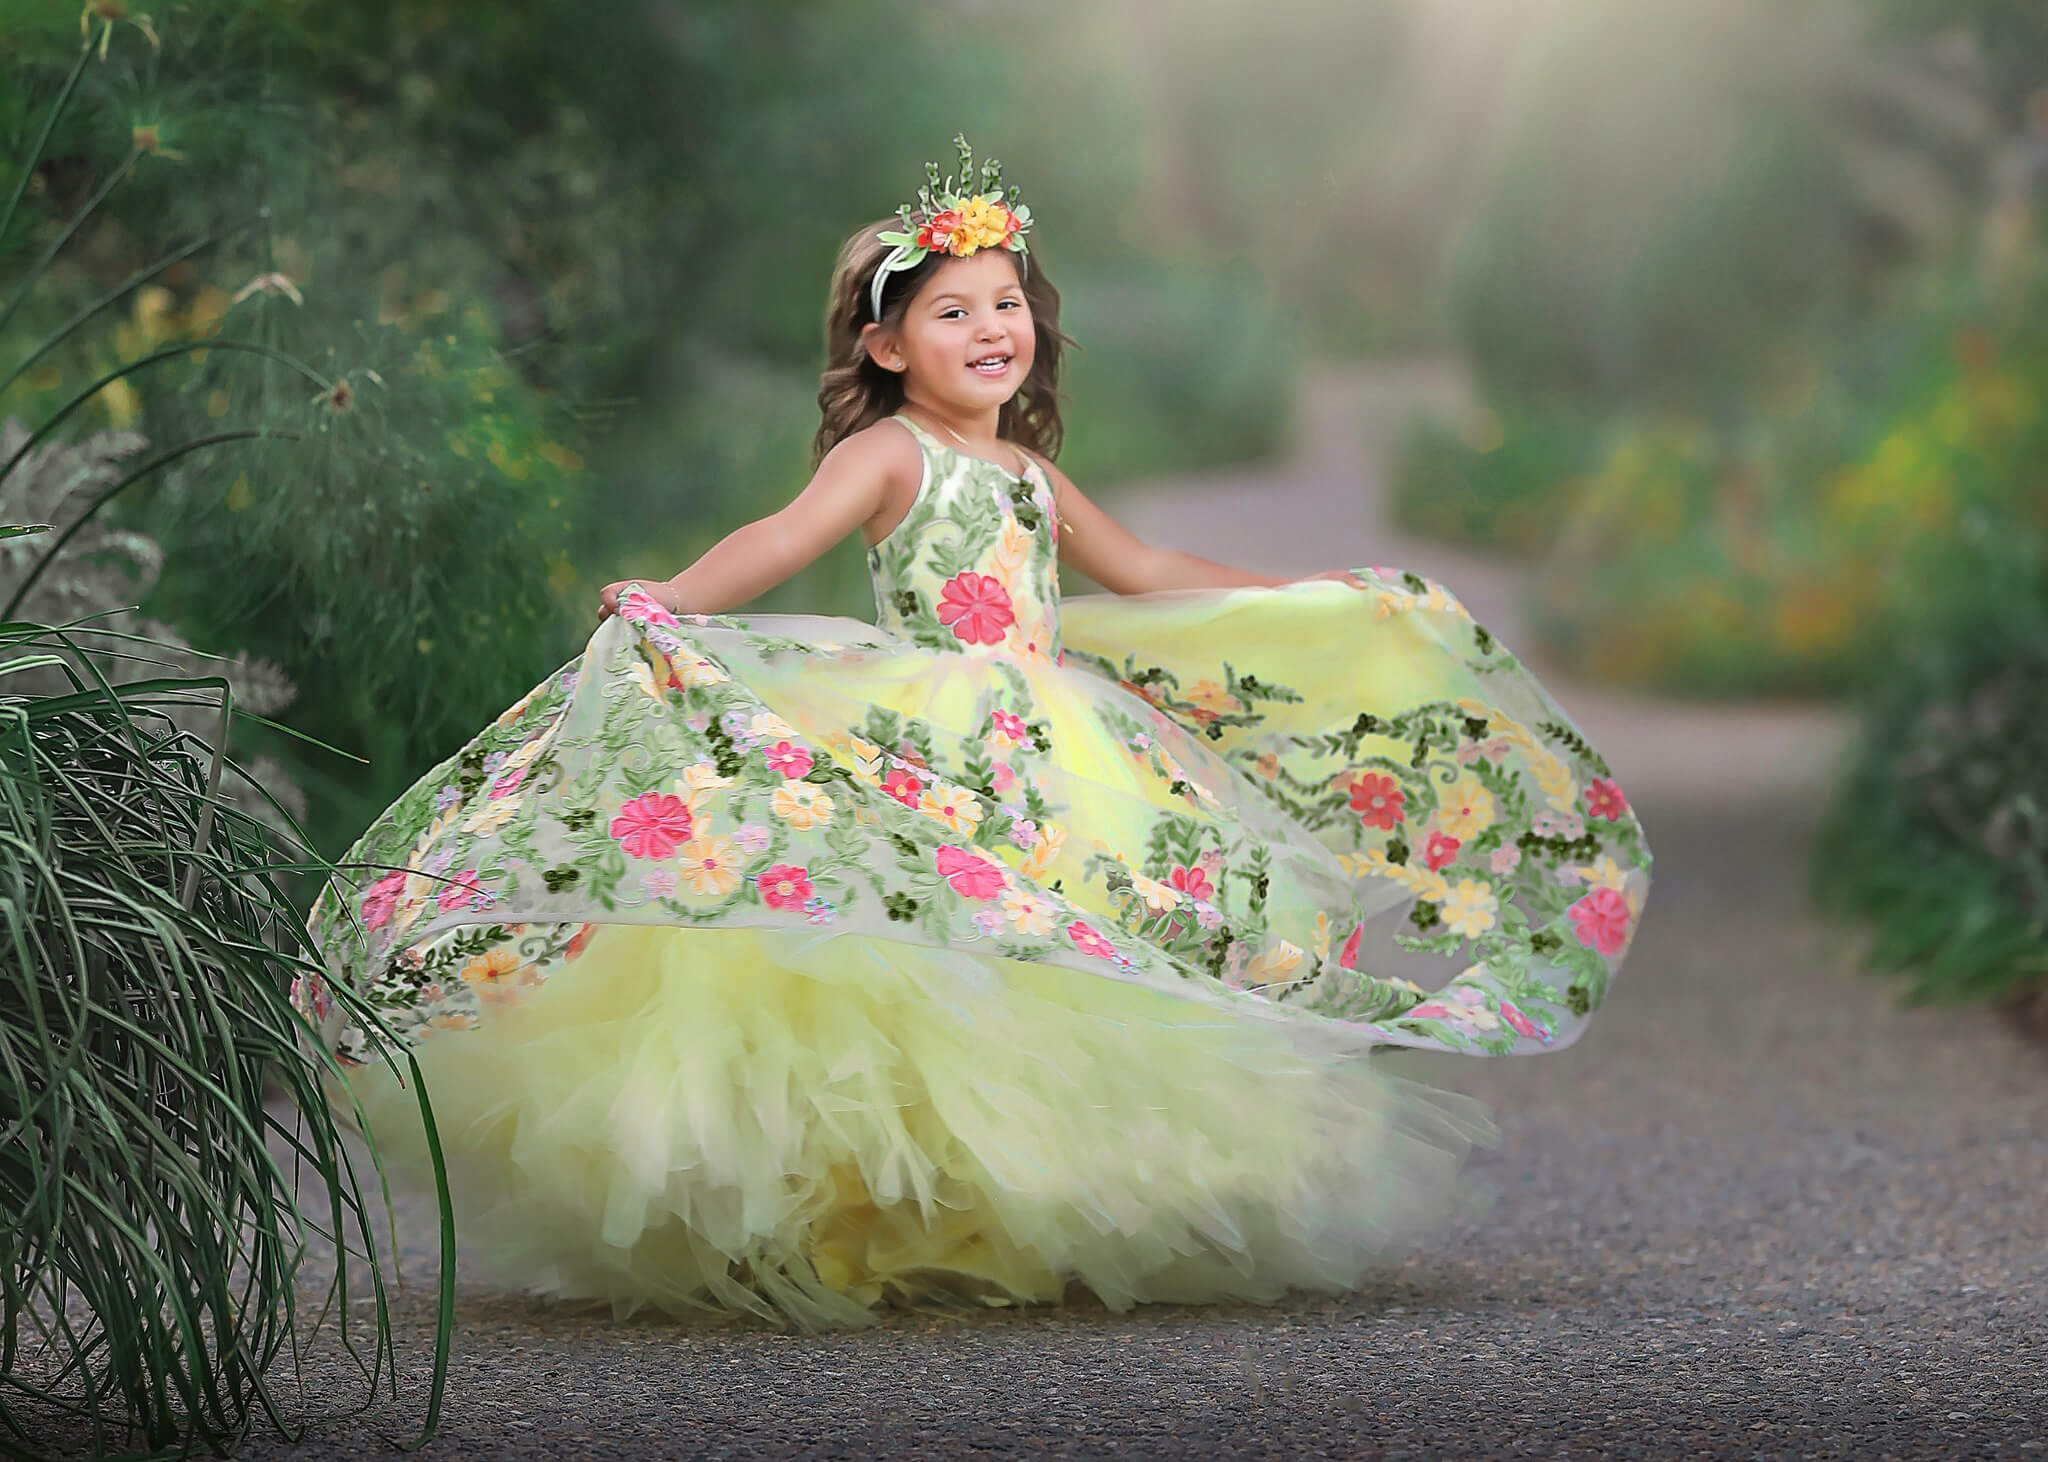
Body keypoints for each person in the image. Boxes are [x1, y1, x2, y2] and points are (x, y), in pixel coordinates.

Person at [296, 135, 1652, 1331]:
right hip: (934, 719)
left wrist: (1304, 596)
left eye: (1007, 306)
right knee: (925, 961)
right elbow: (782, 534)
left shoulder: (1028, 470)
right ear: (887, 346)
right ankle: (882, 1207)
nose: (992, 329)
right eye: (954, 312)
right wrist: (671, 600)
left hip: (1060, 749)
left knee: (1069, 956)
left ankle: (1038, 1201)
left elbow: (1145, 565)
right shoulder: (889, 454)